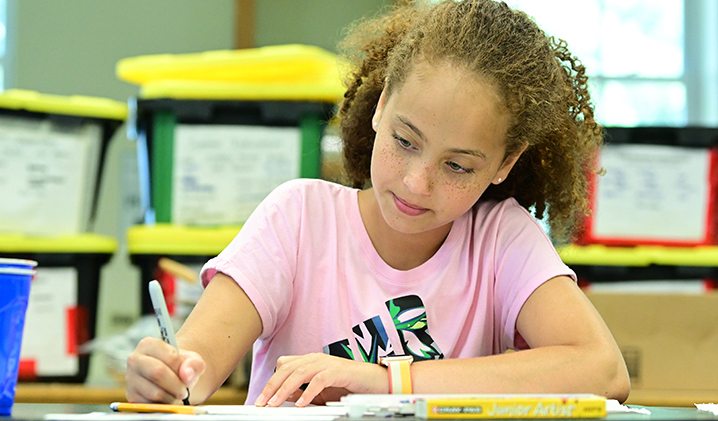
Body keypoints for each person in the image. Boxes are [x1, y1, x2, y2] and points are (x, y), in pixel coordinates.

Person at [125, 0, 631, 407]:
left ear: (505, 162)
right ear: (382, 104)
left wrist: (387, 382)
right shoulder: (299, 218)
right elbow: (197, 363)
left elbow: (603, 369)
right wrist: (169, 377)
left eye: (458, 166)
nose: (415, 183)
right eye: (405, 141)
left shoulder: (501, 238)